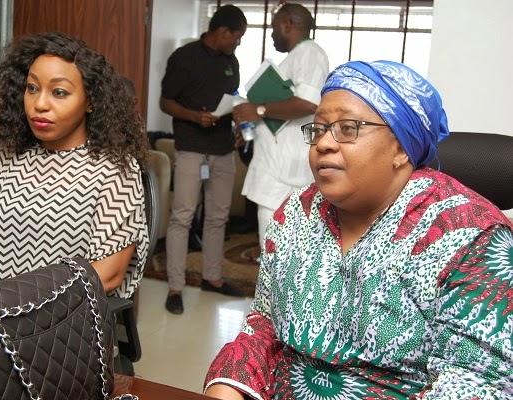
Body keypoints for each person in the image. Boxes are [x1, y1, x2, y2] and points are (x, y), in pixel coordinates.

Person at [204, 60, 513, 399]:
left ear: (400, 148)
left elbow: (477, 382)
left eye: (347, 128)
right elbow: (264, 325)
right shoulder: (296, 211)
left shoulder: (470, 236)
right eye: (319, 129)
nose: (323, 143)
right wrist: (226, 385)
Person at [0, 32, 150, 299]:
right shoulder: (7, 157)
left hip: (64, 317)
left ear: (90, 102)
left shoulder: (114, 169)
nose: (39, 104)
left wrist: (23, 310)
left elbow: (108, 274)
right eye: (32, 88)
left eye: (59, 92)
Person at [160, 5, 248, 314]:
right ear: (223, 31)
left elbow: (233, 99)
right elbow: (166, 102)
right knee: (183, 216)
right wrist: (194, 117)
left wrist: (240, 128)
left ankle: (212, 278)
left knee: (217, 217)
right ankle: (175, 287)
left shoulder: (231, 62)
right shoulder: (184, 58)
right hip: (191, 148)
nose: (238, 43)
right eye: (237, 37)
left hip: (223, 149)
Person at [232, 3, 329, 251]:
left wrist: (259, 109)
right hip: (274, 171)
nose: (272, 34)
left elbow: (308, 103)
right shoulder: (296, 57)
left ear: (287, 25)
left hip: (285, 177)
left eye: (274, 28)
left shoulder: (310, 53)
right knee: (272, 250)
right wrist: (254, 122)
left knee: (278, 252)